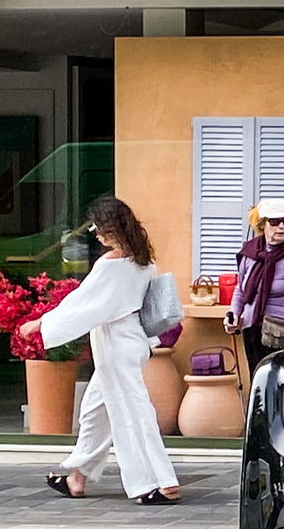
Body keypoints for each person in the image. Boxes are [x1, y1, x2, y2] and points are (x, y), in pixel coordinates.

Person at [23, 195, 182, 506]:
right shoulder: (144, 260)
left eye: (97, 227)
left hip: (114, 345)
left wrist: (42, 323)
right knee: (95, 411)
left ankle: (155, 482)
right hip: (133, 341)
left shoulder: (108, 266)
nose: (95, 233)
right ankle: (77, 478)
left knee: (131, 414)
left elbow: (85, 304)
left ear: (111, 228)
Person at [227, 198, 284, 377]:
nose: (282, 227)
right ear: (263, 223)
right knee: (258, 382)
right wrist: (233, 313)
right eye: (275, 222)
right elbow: (241, 288)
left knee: (280, 383)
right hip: (252, 329)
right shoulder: (250, 251)